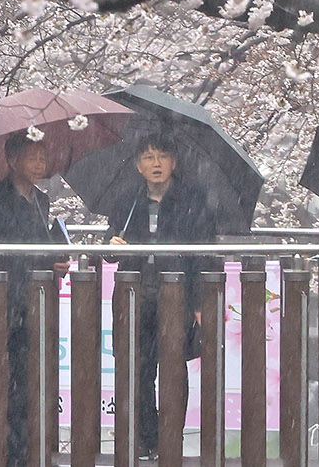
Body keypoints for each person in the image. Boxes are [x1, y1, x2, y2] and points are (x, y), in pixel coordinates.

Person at [105, 132, 218, 457]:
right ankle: (148, 438)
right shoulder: (127, 200)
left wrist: (198, 302)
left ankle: (171, 437)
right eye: (148, 157)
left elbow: (202, 255)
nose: (156, 163)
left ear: (174, 162)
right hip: (134, 295)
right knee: (136, 370)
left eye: (162, 156)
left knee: (173, 369)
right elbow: (110, 248)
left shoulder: (192, 200)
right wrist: (110, 245)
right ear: (138, 166)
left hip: (176, 295)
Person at [0, 132, 68, 467]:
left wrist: (56, 260)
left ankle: (19, 445)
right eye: (32, 156)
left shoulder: (41, 200)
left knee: (25, 373)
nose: (40, 164)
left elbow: (38, 248)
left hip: (30, 301)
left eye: (43, 156)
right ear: (12, 160)